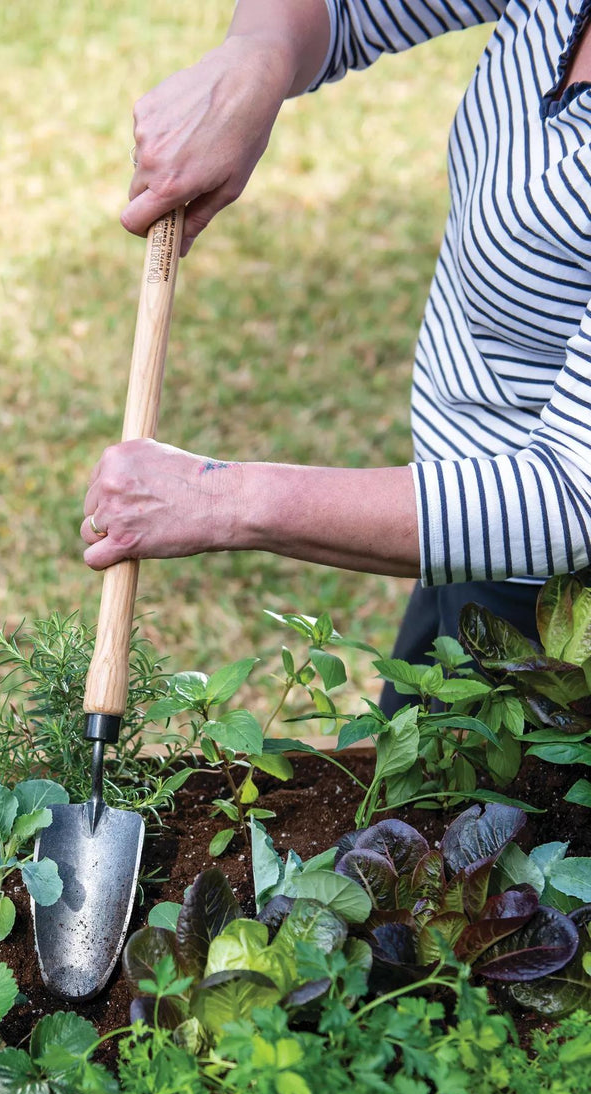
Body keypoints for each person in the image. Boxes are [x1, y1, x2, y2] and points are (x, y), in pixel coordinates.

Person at [80, 0, 591, 684]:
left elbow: (569, 501)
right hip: (456, 521)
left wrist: (218, 498)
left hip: (556, 607)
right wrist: (256, 58)